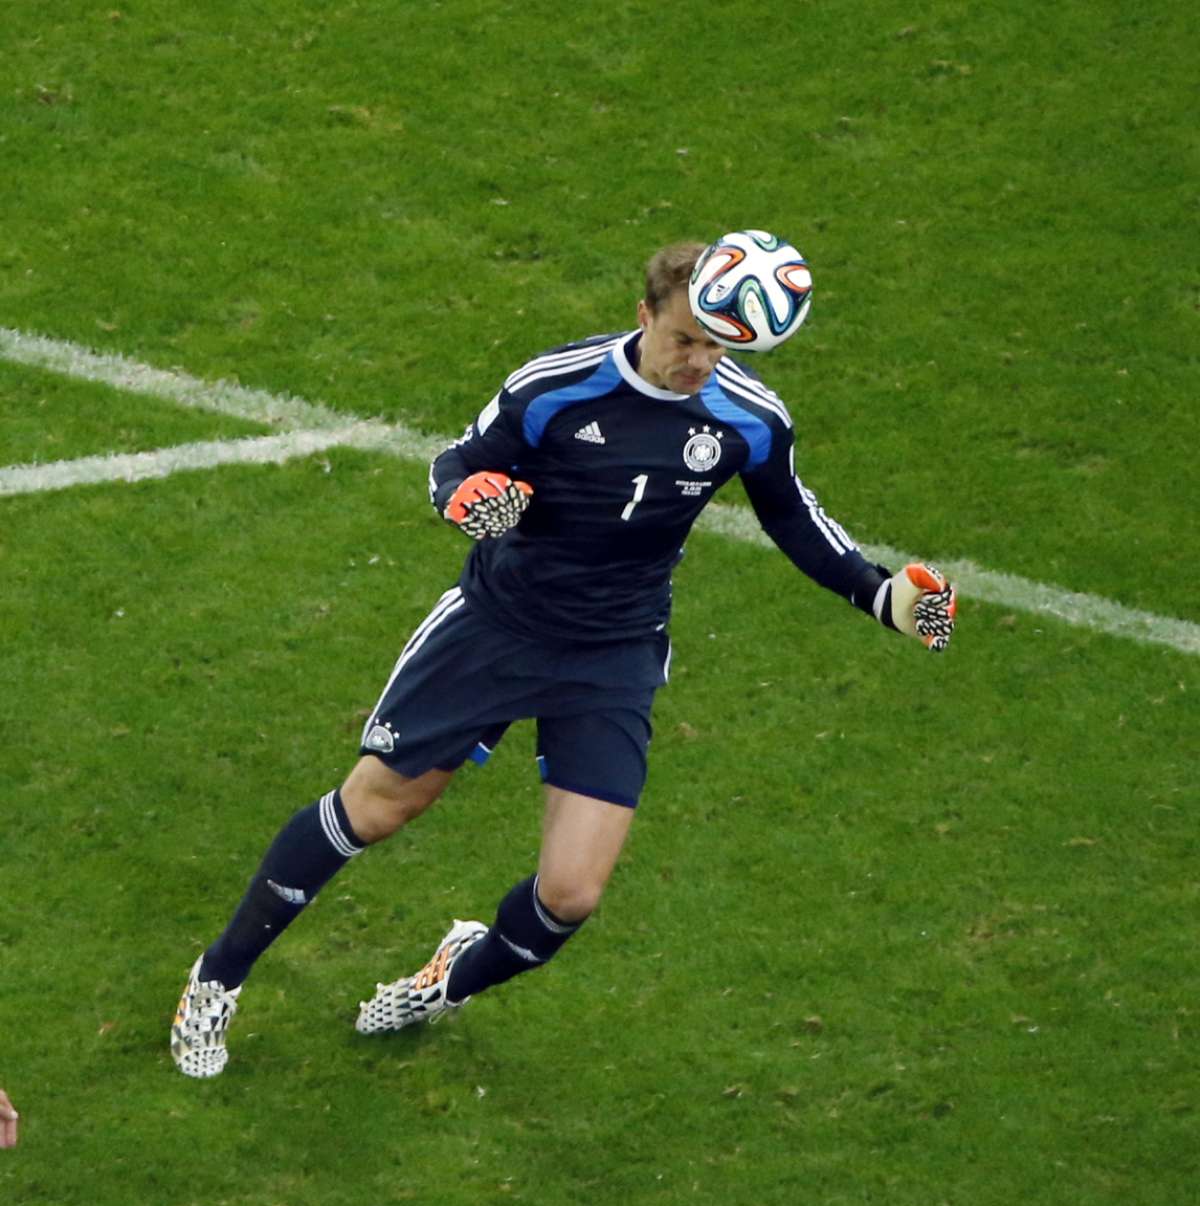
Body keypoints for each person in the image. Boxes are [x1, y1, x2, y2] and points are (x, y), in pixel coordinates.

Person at [171, 238, 956, 1077]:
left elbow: (794, 518)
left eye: (718, 348)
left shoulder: (750, 420)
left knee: (572, 895)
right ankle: (214, 981)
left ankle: (447, 980)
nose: (700, 362)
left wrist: (882, 597)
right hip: (498, 627)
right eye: (685, 338)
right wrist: (466, 498)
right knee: (376, 809)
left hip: (612, 653)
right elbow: (460, 463)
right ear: (645, 313)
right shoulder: (555, 385)